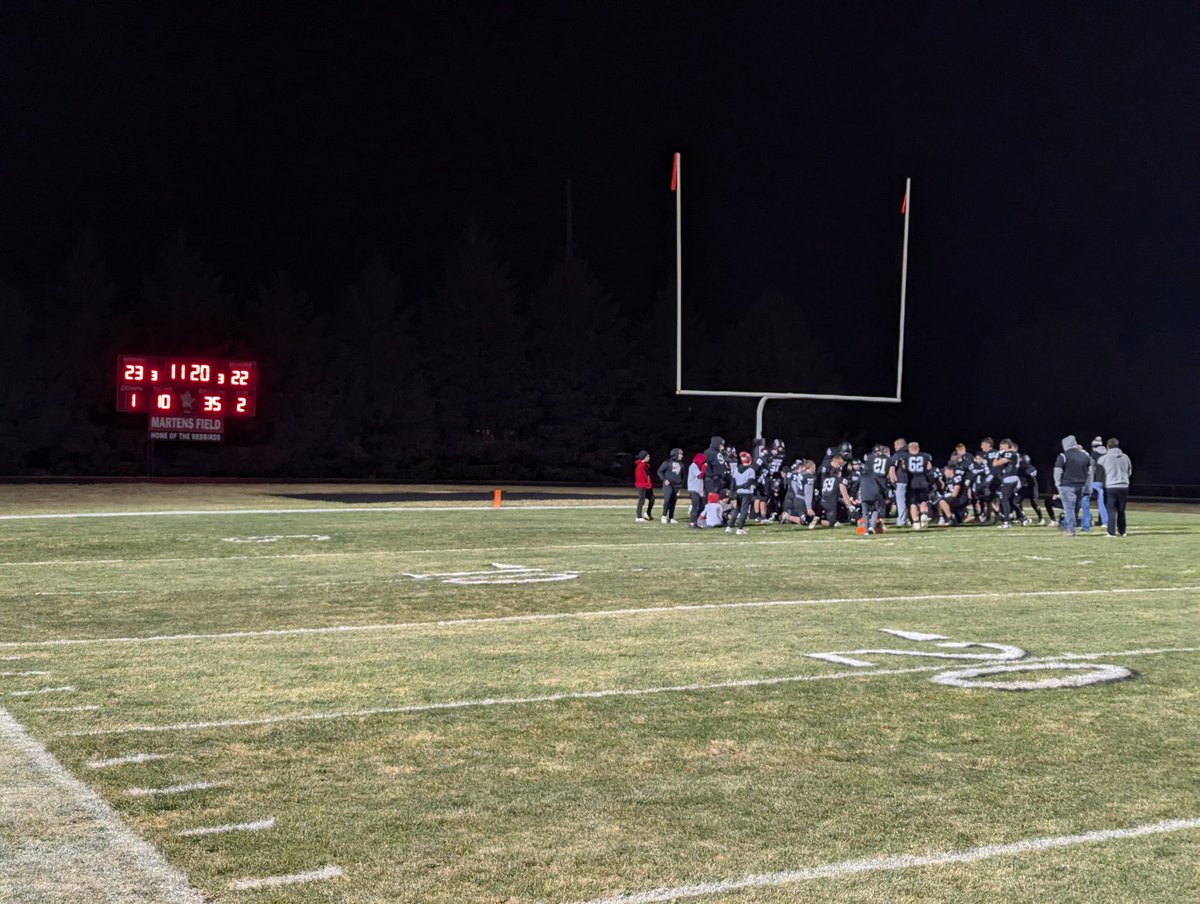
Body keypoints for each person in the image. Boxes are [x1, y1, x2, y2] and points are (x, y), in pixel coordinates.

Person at [1053, 435, 1092, 536]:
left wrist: (1057, 484)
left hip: (1067, 485)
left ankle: (1070, 530)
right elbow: (1089, 471)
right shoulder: (1085, 455)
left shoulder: (1063, 455)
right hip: (1081, 485)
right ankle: (1070, 527)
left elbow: (1057, 471)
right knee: (1075, 508)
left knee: (1069, 508)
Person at [1097, 438, 1133, 537]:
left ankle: (1111, 532)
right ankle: (1122, 531)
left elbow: (1099, 473)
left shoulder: (1103, 458)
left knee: (1111, 509)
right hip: (1124, 485)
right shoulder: (1126, 457)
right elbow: (1129, 471)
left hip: (1110, 486)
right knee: (1121, 509)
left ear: (1107, 446)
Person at [860, 444, 890, 534]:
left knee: (865, 512)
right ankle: (874, 526)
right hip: (877, 487)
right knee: (876, 509)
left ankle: (866, 529)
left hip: (865, 491)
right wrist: (886, 493)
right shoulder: (887, 460)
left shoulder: (865, 471)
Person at [727, 450, 756, 535]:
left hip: (739, 493)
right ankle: (740, 528)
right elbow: (749, 483)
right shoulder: (751, 470)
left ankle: (729, 526)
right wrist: (742, 486)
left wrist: (733, 491)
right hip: (747, 493)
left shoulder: (737, 469)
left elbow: (733, 481)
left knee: (737, 509)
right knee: (744, 510)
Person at [657, 447, 684, 524]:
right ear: (675, 454)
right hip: (668, 484)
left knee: (673, 501)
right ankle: (664, 516)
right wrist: (664, 479)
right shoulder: (667, 463)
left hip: (677, 485)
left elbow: (683, 475)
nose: (682, 456)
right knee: (667, 499)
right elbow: (659, 471)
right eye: (680, 454)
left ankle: (671, 517)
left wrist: (681, 484)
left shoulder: (681, 464)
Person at [887, 438, 909, 526]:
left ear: (900, 445)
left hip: (901, 480)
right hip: (911, 481)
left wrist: (892, 479)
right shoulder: (910, 454)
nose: (895, 447)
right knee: (910, 501)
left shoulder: (897, 455)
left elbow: (891, 467)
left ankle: (902, 520)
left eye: (895, 445)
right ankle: (909, 519)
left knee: (901, 501)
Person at [1089, 436, 1109, 530]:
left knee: (1100, 502)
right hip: (1107, 481)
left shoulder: (1094, 454)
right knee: (1105, 502)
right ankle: (1102, 520)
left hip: (1097, 480)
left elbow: (1091, 469)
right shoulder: (1108, 453)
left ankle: (1105, 521)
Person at [686, 452, 706, 528]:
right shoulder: (693, 466)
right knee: (696, 507)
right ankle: (692, 523)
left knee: (701, 507)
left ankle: (695, 521)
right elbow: (700, 476)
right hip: (694, 490)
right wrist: (704, 467)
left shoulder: (697, 467)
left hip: (698, 490)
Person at [633, 450, 655, 522]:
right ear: (644, 457)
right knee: (641, 500)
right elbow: (639, 477)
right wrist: (644, 485)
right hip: (642, 486)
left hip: (647, 485)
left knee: (652, 498)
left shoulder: (646, 465)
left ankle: (647, 513)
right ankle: (638, 517)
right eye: (647, 456)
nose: (649, 457)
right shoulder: (640, 466)